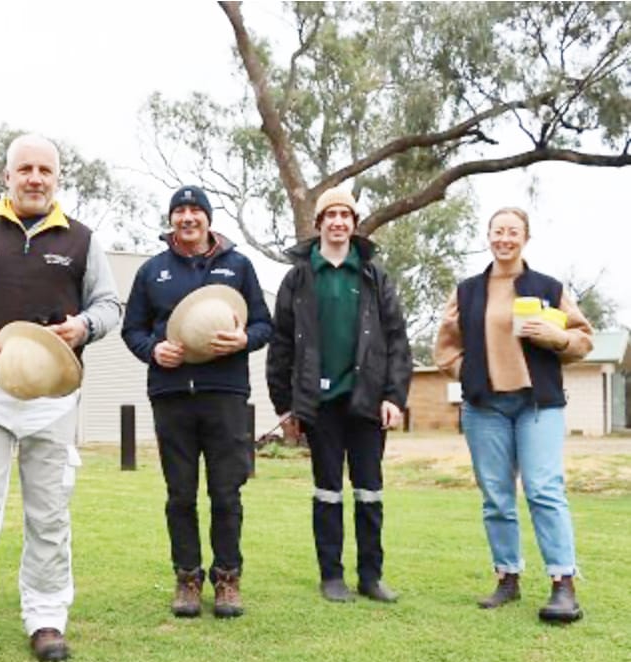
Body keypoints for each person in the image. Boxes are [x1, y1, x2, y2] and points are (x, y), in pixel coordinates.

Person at [0, 133, 120, 662]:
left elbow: (110, 305)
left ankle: (46, 619)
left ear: (57, 179)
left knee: (49, 514)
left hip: (52, 399)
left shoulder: (82, 240)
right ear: (6, 177)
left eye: (46, 170)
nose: (36, 178)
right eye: (25, 169)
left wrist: (84, 325)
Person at [434, 207, 593, 623]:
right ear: (488, 236)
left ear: (526, 237)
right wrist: (467, 375)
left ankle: (563, 584)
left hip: (536, 403)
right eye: (498, 231)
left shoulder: (547, 286)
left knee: (543, 489)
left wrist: (557, 337)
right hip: (485, 406)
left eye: (513, 232)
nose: (505, 238)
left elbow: (582, 338)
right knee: (497, 497)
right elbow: (445, 348)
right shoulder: (467, 291)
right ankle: (507, 577)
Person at [121, 185, 272, 618]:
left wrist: (243, 339)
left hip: (225, 394)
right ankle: (187, 578)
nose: (188, 218)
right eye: (180, 211)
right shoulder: (153, 271)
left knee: (227, 492)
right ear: (171, 220)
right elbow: (132, 330)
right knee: (180, 494)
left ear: (208, 218)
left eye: (195, 211)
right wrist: (153, 349)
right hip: (171, 395)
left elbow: (264, 325)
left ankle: (228, 578)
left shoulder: (238, 266)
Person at [266, 186, 412, 604]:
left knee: (369, 492)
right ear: (318, 224)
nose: (338, 222)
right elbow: (281, 346)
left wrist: (394, 396)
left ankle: (371, 576)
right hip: (319, 404)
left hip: (367, 402)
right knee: (327, 491)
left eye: (345, 215)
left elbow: (397, 341)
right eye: (330, 215)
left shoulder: (373, 275)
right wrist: (285, 404)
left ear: (354, 224)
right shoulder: (298, 278)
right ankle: (332, 576)